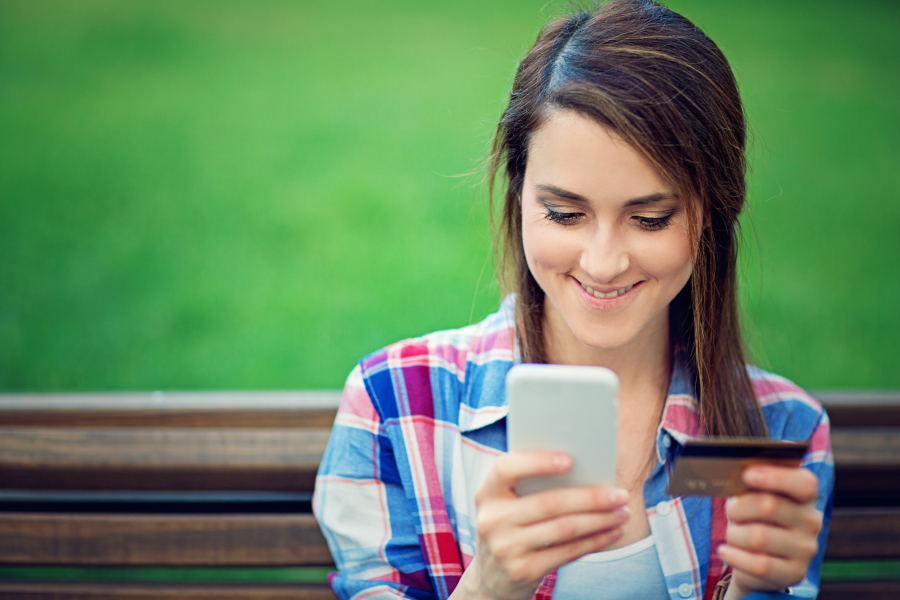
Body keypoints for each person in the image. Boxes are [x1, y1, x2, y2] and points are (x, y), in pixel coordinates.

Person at [313, 1, 834, 599]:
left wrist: (757, 592)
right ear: (518, 191)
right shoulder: (397, 408)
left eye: (651, 218)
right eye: (565, 213)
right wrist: (489, 587)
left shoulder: (781, 432)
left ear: (714, 212)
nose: (603, 263)